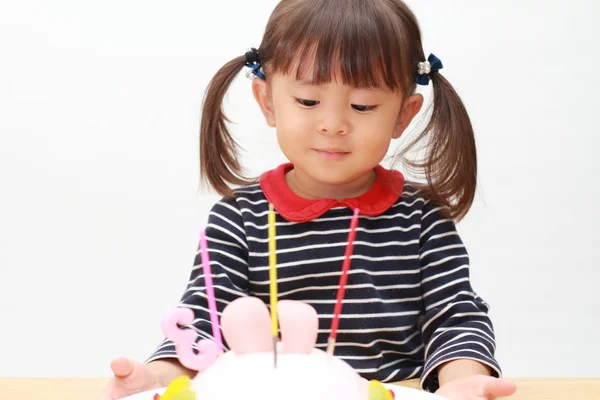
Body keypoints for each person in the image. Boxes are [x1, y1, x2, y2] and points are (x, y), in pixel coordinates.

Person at [101, 1, 517, 399]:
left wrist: (463, 381)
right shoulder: (237, 218)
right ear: (267, 101)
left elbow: (455, 317)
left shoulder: (422, 220)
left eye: (363, 105)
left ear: (403, 115)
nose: (333, 125)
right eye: (308, 101)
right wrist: (155, 381)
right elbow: (204, 321)